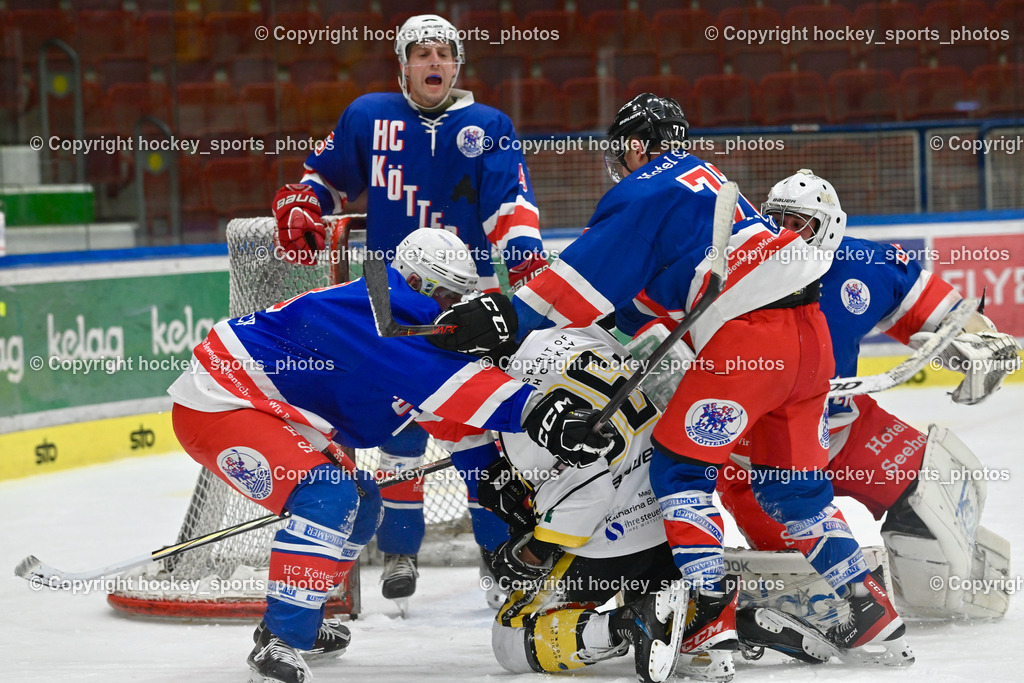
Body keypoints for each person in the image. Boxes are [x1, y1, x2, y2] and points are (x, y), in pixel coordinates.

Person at [438, 93, 914, 665]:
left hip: (750, 339)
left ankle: (707, 615)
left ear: (638, 144)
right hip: (810, 338)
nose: (620, 163)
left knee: (681, 472)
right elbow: (648, 302)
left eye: (623, 150)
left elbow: (582, 276)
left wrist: (506, 314)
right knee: (794, 490)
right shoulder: (712, 182)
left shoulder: (650, 186)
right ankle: (871, 611)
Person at [166, 229, 607, 683]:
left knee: (363, 501)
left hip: (274, 412)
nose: (455, 308)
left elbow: (449, 416)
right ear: (417, 283)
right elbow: (450, 385)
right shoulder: (379, 316)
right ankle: (281, 641)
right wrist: (539, 413)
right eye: (449, 295)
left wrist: (490, 478)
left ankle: (298, 619)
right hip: (220, 403)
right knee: (329, 496)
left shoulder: (409, 323)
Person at [271, 13, 550, 607]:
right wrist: (301, 201)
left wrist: (523, 255)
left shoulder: (488, 125)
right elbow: (323, 178)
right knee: (398, 423)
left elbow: (511, 202)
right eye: (421, 53)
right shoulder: (368, 115)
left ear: (458, 64)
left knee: (475, 427)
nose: (433, 63)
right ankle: (400, 547)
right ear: (402, 65)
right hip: (387, 290)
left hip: (463, 295)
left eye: (443, 54)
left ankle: (499, 557)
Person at [715, 169, 1020, 620]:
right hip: (756, 454)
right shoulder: (732, 268)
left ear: (829, 227)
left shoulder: (865, 266)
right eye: (775, 221)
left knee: (935, 495)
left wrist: (981, 344)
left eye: (797, 224)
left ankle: (935, 602)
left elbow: (943, 316)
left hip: (844, 428)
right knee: (802, 581)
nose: (784, 235)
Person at [478, 325, 840, 683]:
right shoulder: (575, 332)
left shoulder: (525, 417)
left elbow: (588, 494)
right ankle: (727, 624)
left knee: (510, 638)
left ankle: (624, 625)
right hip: (674, 521)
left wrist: (533, 551)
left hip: (614, 543)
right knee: (663, 604)